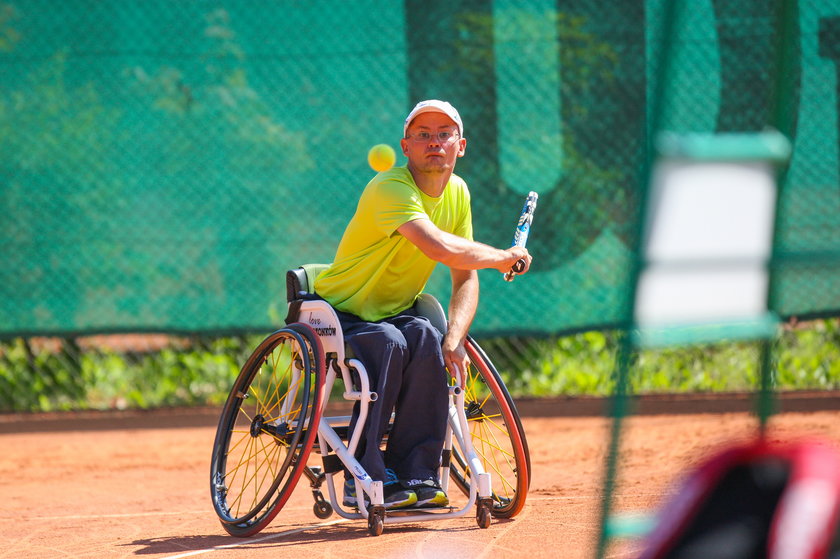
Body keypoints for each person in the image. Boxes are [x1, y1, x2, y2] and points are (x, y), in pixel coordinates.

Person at [314, 99, 532, 510]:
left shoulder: (459, 193)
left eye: (444, 134)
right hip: (341, 311)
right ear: (406, 146)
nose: (435, 142)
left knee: (428, 339)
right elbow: (437, 245)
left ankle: (416, 473)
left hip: (396, 311)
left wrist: (456, 338)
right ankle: (361, 474)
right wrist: (501, 257)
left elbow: (464, 274)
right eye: (423, 135)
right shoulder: (390, 187)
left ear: (460, 146)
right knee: (391, 342)